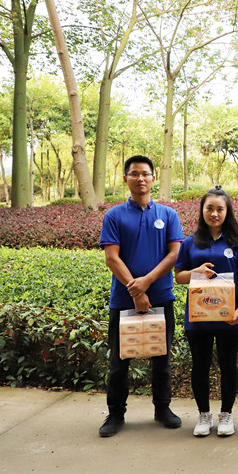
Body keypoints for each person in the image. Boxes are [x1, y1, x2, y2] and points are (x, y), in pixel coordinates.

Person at [98, 155, 184, 437]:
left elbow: (174, 254)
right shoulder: (114, 216)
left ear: (153, 178)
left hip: (161, 297)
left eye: (145, 174)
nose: (140, 178)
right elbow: (112, 258)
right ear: (125, 179)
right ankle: (115, 414)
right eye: (134, 174)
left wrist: (146, 283)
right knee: (119, 362)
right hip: (124, 300)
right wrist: (135, 290)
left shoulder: (168, 215)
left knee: (161, 359)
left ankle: (163, 409)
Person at [174, 187, 238, 437]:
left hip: (229, 316)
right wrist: (195, 272)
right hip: (198, 317)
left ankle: (226, 414)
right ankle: (204, 415)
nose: (214, 213)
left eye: (220, 209)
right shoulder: (190, 242)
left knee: (228, 365)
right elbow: (179, 276)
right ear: (202, 210)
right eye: (209, 208)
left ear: (227, 212)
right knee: (200, 366)